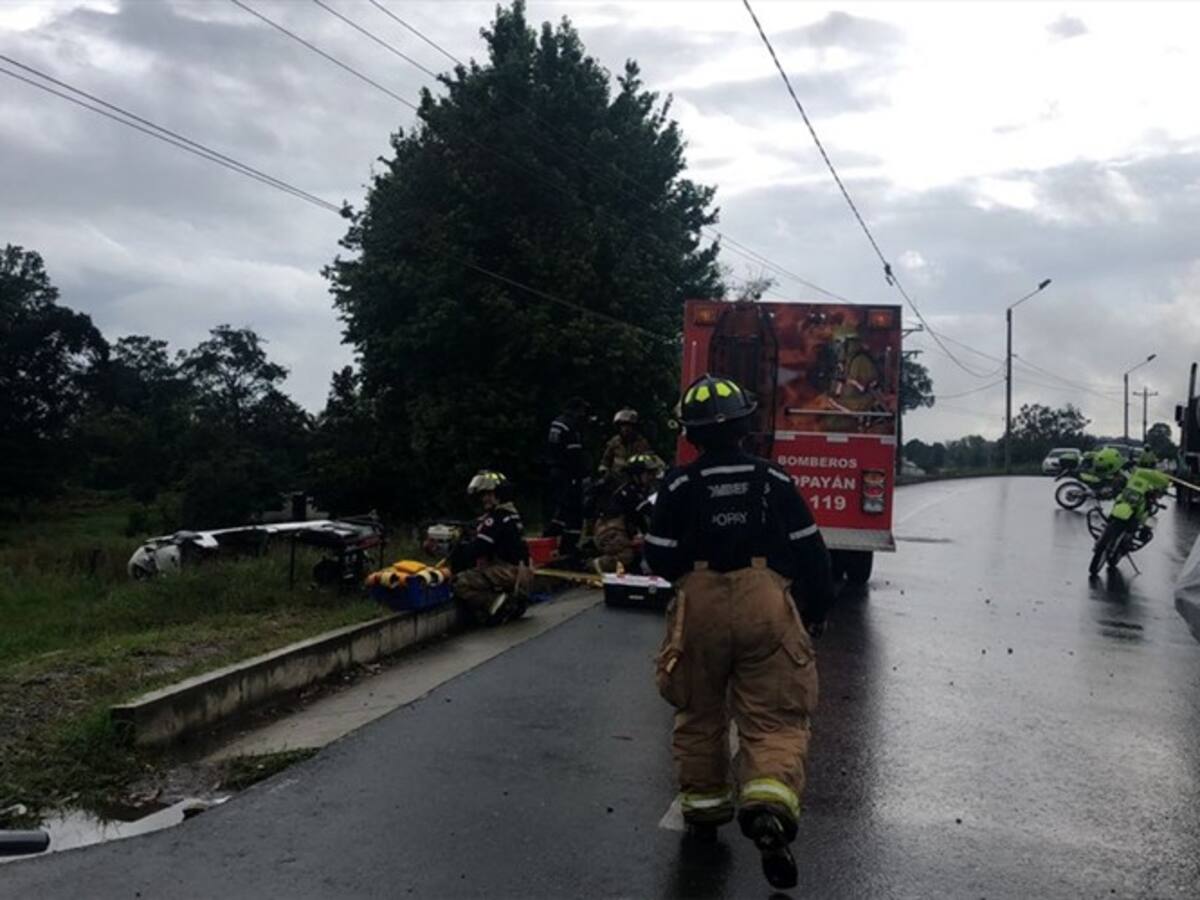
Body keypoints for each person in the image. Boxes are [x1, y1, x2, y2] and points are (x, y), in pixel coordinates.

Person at [645, 374, 836, 891]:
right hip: (765, 600)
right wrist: (815, 609)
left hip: (698, 602)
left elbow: (657, 554)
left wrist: (695, 572)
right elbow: (811, 551)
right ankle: (768, 801)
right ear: (746, 425)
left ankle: (704, 813)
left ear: (691, 434)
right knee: (775, 717)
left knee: (699, 710)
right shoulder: (773, 479)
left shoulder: (678, 484)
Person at [451, 471, 530, 626]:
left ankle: (495, 603)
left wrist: (459, 548)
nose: (484, 499)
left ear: (499, 494)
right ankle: (513, 602)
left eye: (488, 494)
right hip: (523, 571)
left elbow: (478, 549)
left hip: (508, 572)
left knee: (459, 583)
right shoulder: (512, 515)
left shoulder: (497, 518)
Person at [592, 452, 665, 573]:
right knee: (629, 555)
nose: (652, 477)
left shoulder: (637, 492)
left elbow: (643, 521)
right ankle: (598, 565)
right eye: (648, 473)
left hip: (616, 531)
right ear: (637, 475)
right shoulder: (631, 493)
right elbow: (651, 514)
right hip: (608, 532)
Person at [543, 398, 588, 557]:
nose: (583, 415)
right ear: (576, 410)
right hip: (568, 474)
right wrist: (582, 475)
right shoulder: (571, 425)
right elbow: (574, 455)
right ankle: (568, 548)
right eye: (582, 411)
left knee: (559, 511)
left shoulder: (556, 423)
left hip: (554, 473)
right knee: (574, 512)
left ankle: (547, 542)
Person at [598, 408, 652, 478]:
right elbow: (605, 461)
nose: (626, 428)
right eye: (623, 425)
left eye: (629, 425)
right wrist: (604, 470)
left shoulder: (641, 442)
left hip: (635, 480)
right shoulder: (614, 442)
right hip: (615, 480)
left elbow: (649, 461)